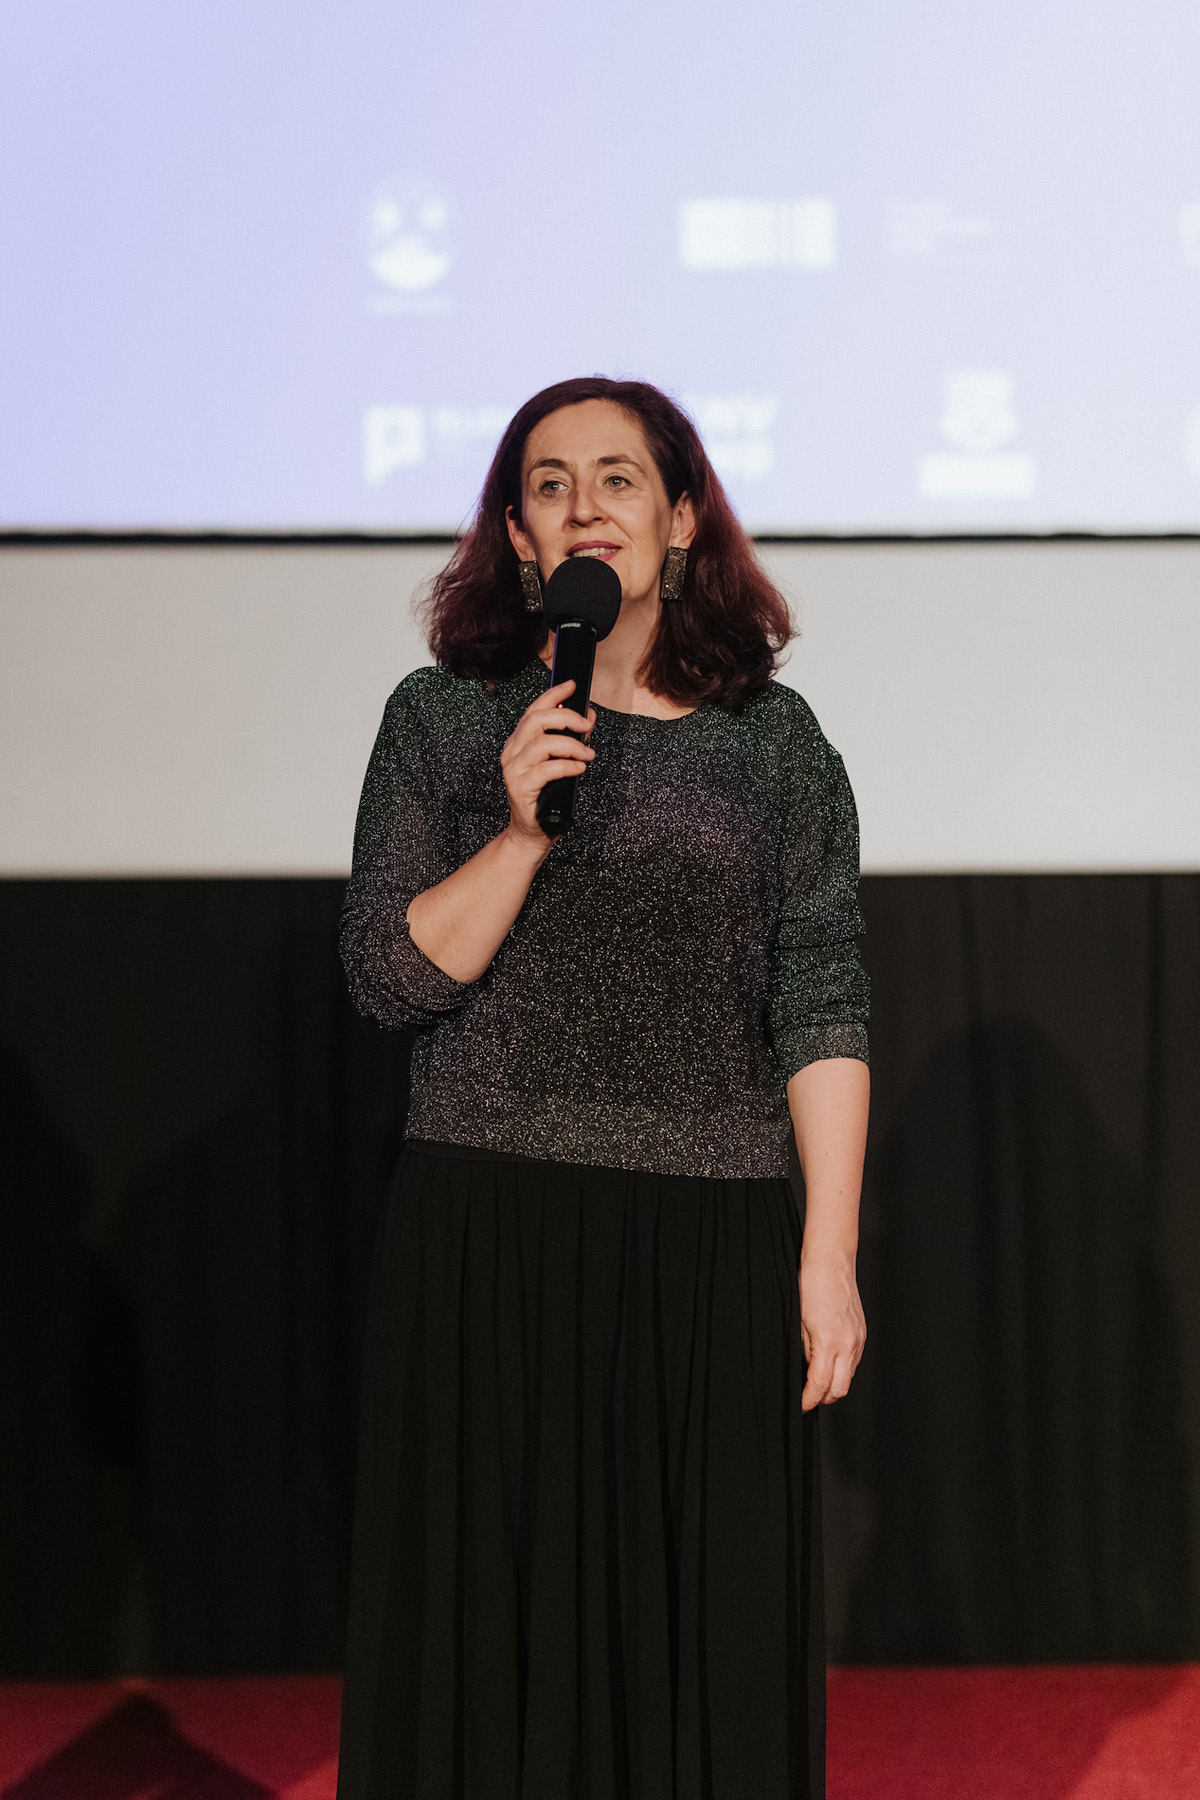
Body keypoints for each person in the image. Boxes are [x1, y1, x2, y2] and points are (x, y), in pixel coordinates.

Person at [335, 376, 870, 1800]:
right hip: (490, 1238)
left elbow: (821, 997)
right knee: (492, 1643)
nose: (587, 508)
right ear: (518, 536)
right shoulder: (443, 721)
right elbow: (387, 979)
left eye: (619, 479)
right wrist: (519, 832)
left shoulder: (776, 744)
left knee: (698, 1644)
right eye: (552, 483)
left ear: (681, 518)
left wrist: (827, 1257)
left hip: (708, 1240)